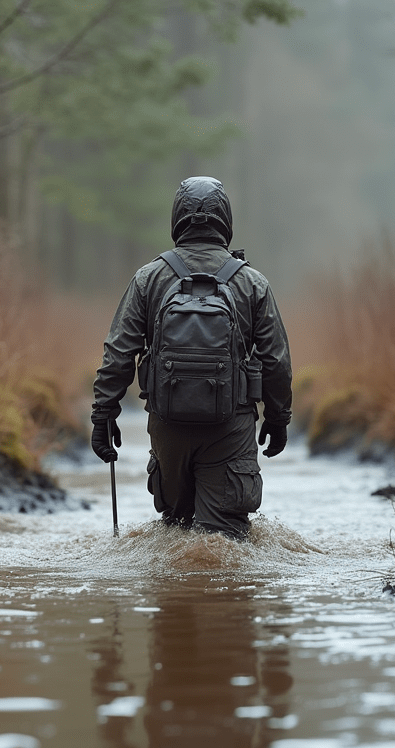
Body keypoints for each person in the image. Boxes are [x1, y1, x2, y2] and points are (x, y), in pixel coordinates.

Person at [90, 176, 293, 540]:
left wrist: (103, 414)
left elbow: (118, 352)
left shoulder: (148, 278)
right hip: (230, 429)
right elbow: (276, 361)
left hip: (168, 427)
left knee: (176, 535)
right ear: (225, 220)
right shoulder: (252, 283)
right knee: (224, 540)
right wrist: (278, 419)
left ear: (177, 219)